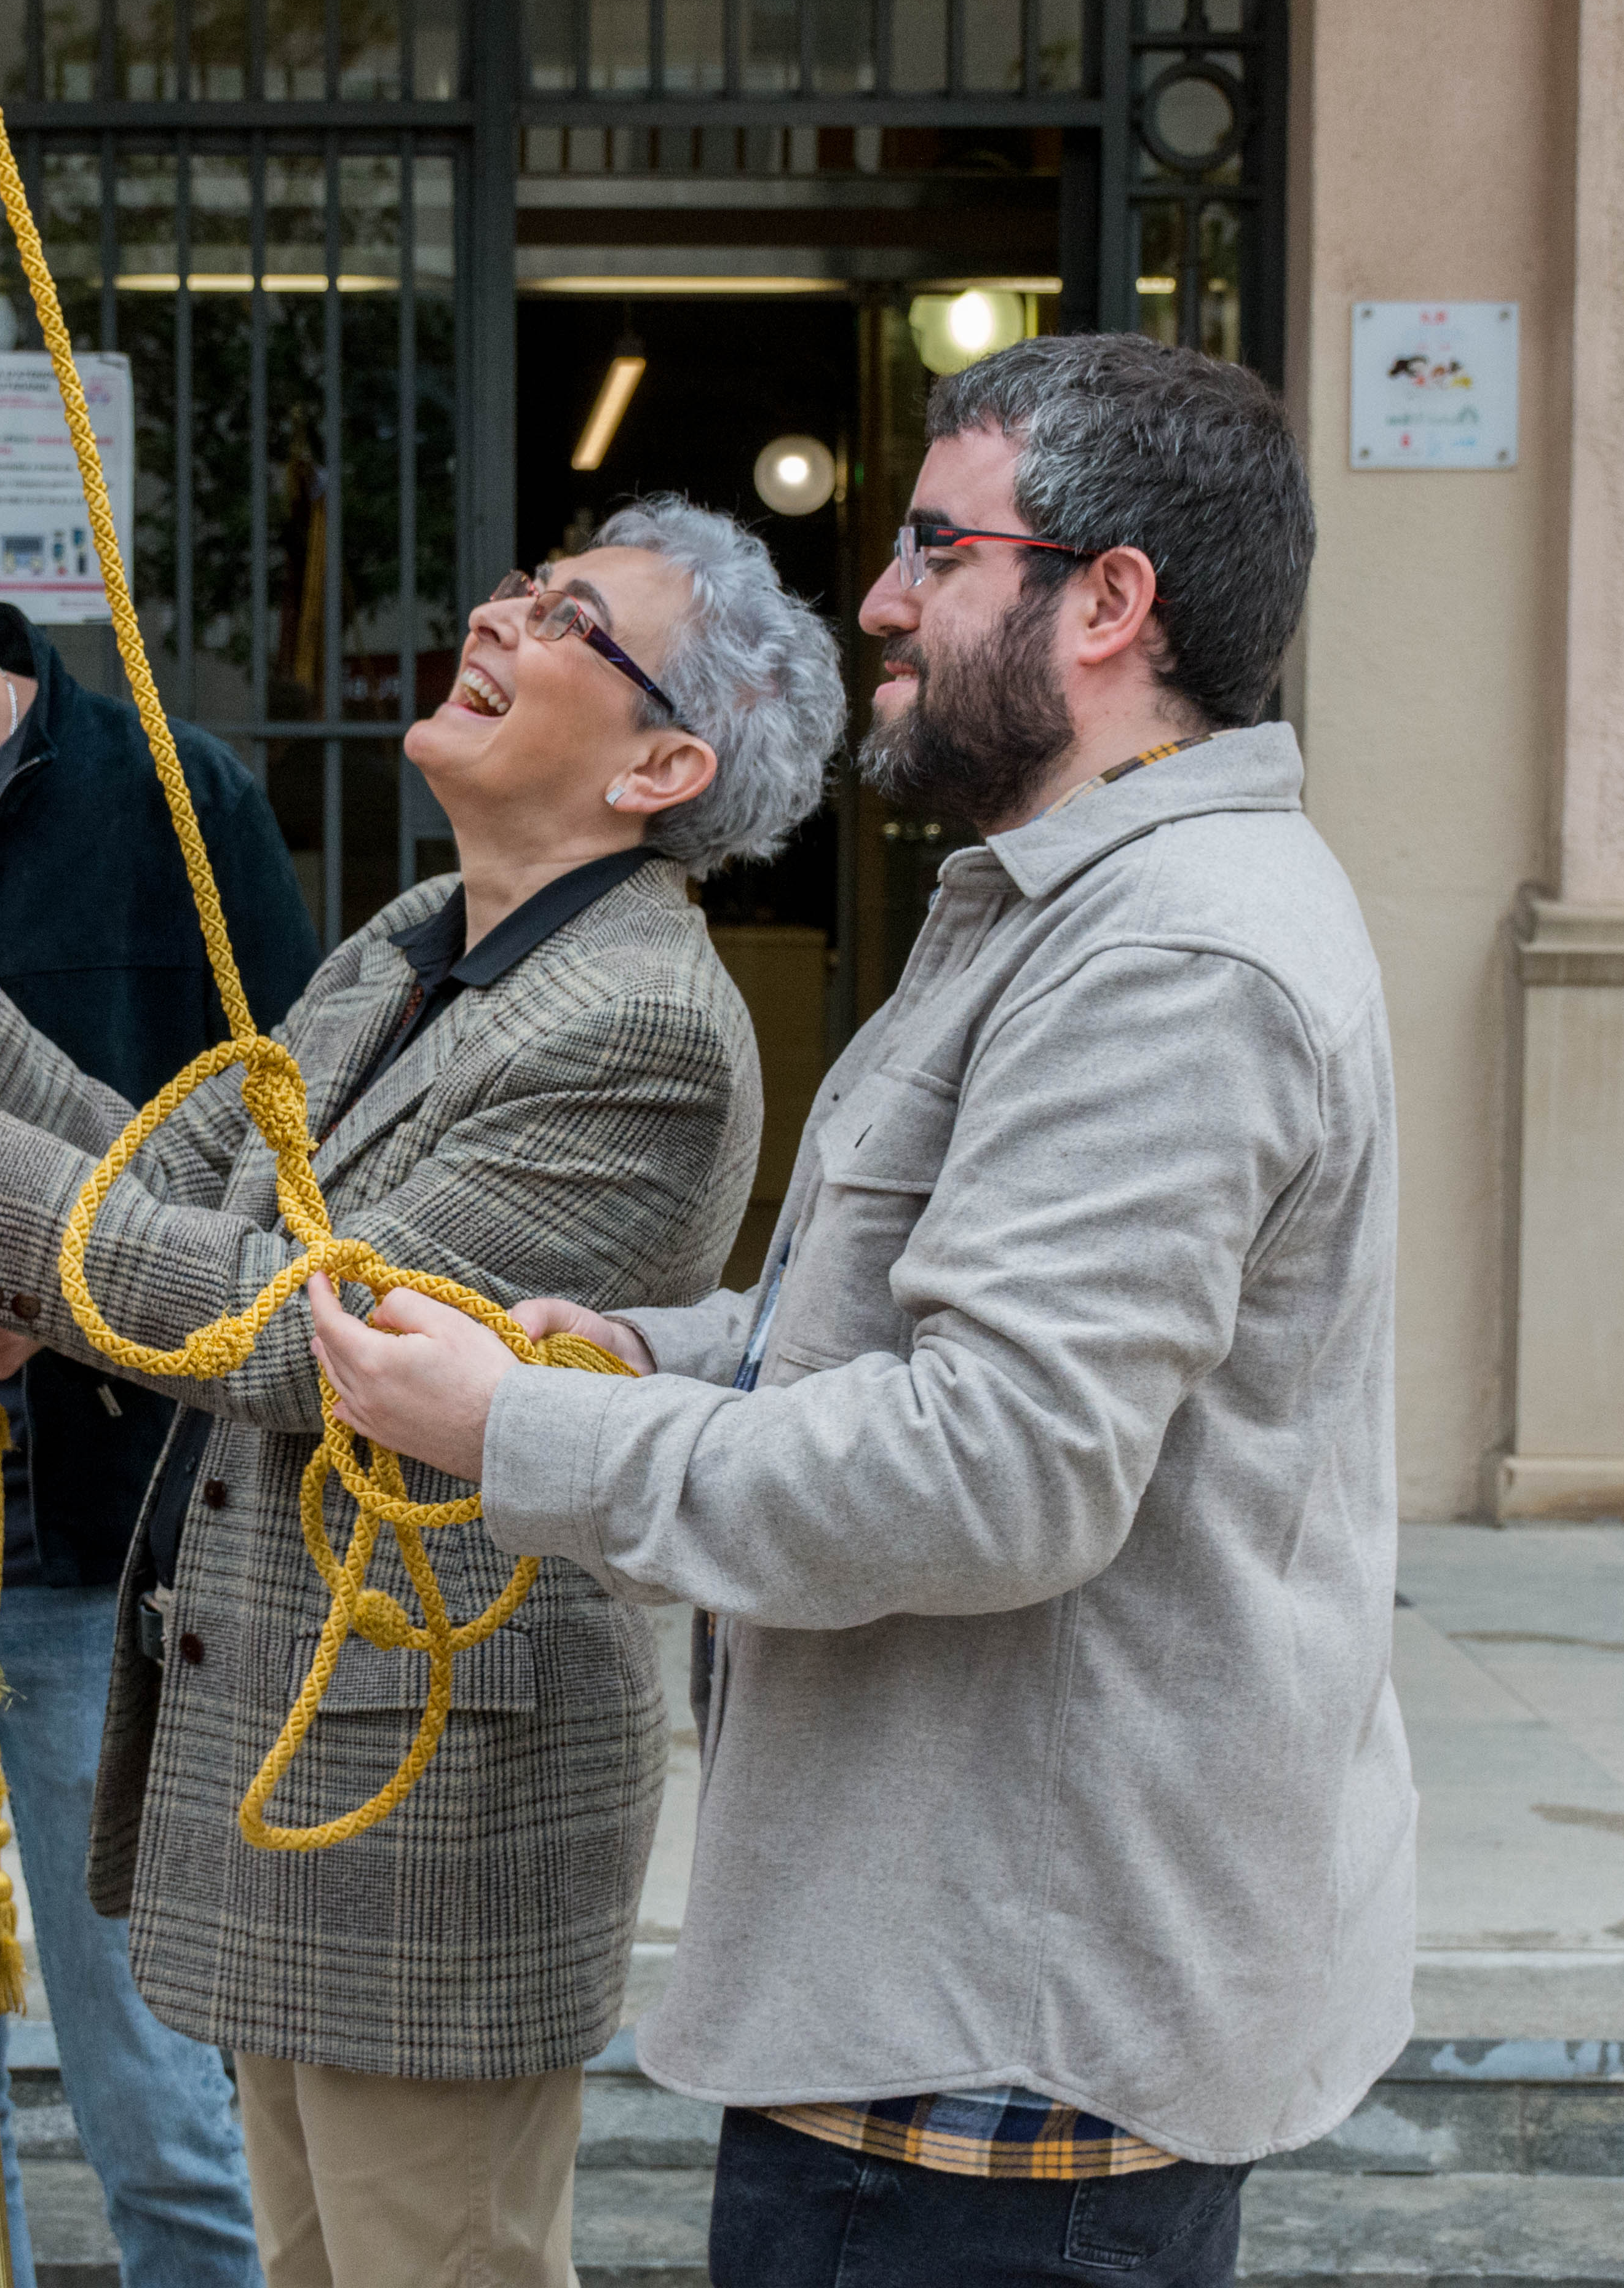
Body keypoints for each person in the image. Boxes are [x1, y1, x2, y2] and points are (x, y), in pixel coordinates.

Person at [307, 333, 1412, 2288]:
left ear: (1109, 601)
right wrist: (645, 1352)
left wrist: (519, 1432)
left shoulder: (1175, 958)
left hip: (1001, 2050)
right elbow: (911, 1337)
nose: (882, 600)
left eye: (935, 546)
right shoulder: (1067, 905)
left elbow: (995, 1474)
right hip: (945, 2008)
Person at [0, 498, 844, 2288]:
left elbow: (312, 1338)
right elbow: (164, 1191)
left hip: (431, 1811)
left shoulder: (637, 1025)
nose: (499, 613)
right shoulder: (427, 936)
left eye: (570, 616)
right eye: (521, 584)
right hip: (288, 1762)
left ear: (664, 764)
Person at [0, 394, 316, 2288]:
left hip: (94, 1544)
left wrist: (66, 1280)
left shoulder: (166, 794)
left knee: (161, 2112)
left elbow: (299, 1145)